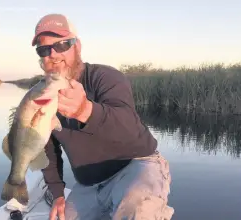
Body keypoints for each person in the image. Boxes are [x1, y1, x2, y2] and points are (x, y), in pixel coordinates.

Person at [31, 13, 175, 220]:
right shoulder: (43, 95)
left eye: (62, 45)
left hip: (135, 166)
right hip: (89, 185)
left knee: (138, 207)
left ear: (77, 46)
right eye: (44, 49)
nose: (53, 54)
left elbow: (128, 127)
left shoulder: (106, 77)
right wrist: (57, 194)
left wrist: (84, 110)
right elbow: (47, 150)